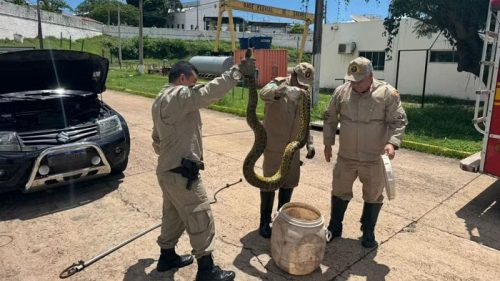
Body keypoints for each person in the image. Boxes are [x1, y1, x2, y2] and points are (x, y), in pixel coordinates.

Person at [151, 59, 254, 281]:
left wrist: (171, 155)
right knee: (200, 216)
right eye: (193, 82)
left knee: (174, 216)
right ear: (182, 79)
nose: (194, 87)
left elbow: (156, 140)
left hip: (169, 172)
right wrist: (235, 73)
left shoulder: (160, 99)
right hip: (181, 174)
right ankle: (207, 270)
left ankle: (166, 256)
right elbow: (207, 93)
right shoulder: (178, 96)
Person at [323, 57, 407, 248]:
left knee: (373, 195)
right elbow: (329, 118)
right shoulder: (341, 92)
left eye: (359, 80)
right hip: (346, 156)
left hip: (373, 158)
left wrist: (392, 143)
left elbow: (398, 121)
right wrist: (328, 143)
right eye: (352, 79)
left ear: (370, 76)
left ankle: (368, 232)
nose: (355, 84)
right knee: (339, 191)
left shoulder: (387, 93)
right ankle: (335, 227)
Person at [257, 62, 316, 238]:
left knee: (288, 184)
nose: (301, 86)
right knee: (269, 183)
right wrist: (283, 91)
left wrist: (309, 142)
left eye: (305, 84)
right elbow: (263, 93)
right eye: (299, 82)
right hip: (274, 145)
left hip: (294, 147)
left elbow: (305, 121)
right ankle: (264, 221)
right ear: (293, 75)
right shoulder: (278, 83)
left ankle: (281, 219)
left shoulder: (303, 94)